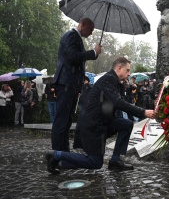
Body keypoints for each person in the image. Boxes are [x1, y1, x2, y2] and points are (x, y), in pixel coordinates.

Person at [45, 57, 156, 174]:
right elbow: (119, 102)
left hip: (103, 123)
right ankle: (56, 155)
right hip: (92, 126)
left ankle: (115, 161)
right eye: (127, 70)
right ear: (119, 68)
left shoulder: (116, 82)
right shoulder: (108, 79)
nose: (129, 74)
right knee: (96, 163)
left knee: (126, 124)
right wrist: (143, 112)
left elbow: (120, 104)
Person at [51, 17, 102, 152]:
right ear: (82, 24)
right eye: (90, 29)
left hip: (70, 84)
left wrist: (94, 54)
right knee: (62, 120)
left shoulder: (75, 38)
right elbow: (73, 56)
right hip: (66, 83)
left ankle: (64, 152)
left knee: (66, 121)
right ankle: (56, 154)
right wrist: (93, 52)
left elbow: (76, 58)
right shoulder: (71, 36)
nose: (91, 33)